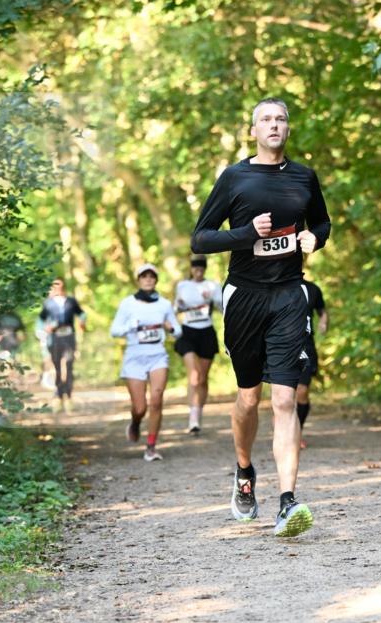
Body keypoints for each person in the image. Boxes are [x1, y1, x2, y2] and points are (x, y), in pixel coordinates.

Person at [191, 96, 331, 538]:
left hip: (290, 295)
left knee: (285, 399)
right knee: (249, 398)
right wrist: (246, 234)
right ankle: (244, 472)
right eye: (265, 120)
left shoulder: (305, 178)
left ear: (288, 128)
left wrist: (314, 238)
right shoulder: (235, 177)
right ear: (253, 131)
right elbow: (200, 238)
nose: (274, 125)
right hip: (245, 298)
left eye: (281, 119)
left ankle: (288, 502)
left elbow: (322, 224)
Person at [110, 263, 181, 462]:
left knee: (157, 399)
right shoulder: (128, 304)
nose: (148, 279)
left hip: (157, 355)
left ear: (156, 280)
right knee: (140, 407)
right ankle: (135, 422)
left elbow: (178, 330)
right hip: (134, 357)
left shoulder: (164, 304)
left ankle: (151, 446)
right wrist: (129, 326)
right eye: (144, 276)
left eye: (151, 276)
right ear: (138, 280)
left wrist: (171, 328)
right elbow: (114, 330)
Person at [174, 255, 223, 434]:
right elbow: (175, 308)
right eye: (195, 268)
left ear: (205, 269)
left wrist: (214, 300)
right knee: (194, 375)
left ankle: (198, 411)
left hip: (206, 333)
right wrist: (178, 307)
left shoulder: (213, 286)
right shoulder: (183, 286)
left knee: (202, 378)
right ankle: (192, 417)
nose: (198, 271)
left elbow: (223, 307)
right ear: (191, 269)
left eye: (201, 268)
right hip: (187, 332)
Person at [38, 278, 86, 411]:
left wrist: (82, 322)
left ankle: (69, 397)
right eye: (54, 285)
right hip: (55, 339)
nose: (57, 288)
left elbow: (81, 314)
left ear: (63, 286)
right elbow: (41, 321)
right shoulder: (48, 303)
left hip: (69, 337)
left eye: (60, 285)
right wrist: (46, 328)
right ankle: (59, 396)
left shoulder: (71, 301)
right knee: (57, 368)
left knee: (69, 366)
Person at [296, 277, 328, 449]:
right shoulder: (276, 285)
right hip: (281, 346)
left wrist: (323, 321)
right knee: (284, 395)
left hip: (306, 346)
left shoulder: (313, 289)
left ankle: (297, 430)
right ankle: (285, 430)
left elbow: (322, 310)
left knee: (302, 391)